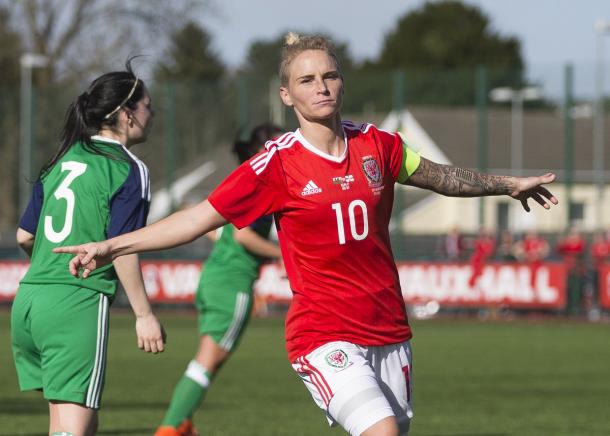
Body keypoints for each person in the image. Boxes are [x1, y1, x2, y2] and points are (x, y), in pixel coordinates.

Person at [54, 34, 558, 436]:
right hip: (323, 335)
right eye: (307, 79)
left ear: (342, 83)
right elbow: (198, 218)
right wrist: (112, 244)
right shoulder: (274, 166)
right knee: (379, 431)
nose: (321, 86)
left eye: (330, 75)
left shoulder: (379, 144)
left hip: (390, 331)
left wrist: (508, 185)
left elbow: (443, 178)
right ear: (286, 94)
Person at [12, 60, 165, 436]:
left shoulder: (62, 159)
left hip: (29, 302)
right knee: (74, 429)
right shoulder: (128, 168)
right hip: (76, 302)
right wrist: (143, 314)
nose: (153, 111)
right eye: (147, 104)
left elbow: (24, 237)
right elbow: (124, 247)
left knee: (67, 424)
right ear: (127, 114)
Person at [154, 124, 284, 436]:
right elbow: (243, 237)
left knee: (211, 361)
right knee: (207, 361)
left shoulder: (244, 181)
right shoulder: (262, 185)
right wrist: (282, 255)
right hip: (233, 283)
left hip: (214, 278)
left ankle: (182, 423)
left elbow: (221, 231)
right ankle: (171, 428)